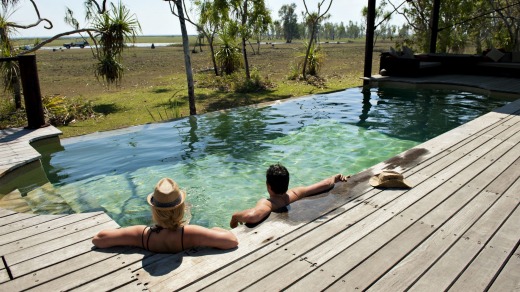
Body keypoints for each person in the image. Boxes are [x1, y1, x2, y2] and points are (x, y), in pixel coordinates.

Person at [92, 178, 238, 253]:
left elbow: (98, 239)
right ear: (181, 208)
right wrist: (214, 229)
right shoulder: (191, 233)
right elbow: (231, 240)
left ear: (154, 210)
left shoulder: (142, 234)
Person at [230, 164, 349, 228]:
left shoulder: (268, 203)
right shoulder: (295, 193)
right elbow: (324, 185)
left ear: (268, 186)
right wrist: (335, 178)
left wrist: (235, 217)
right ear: (287, 183)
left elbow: (252, 216)